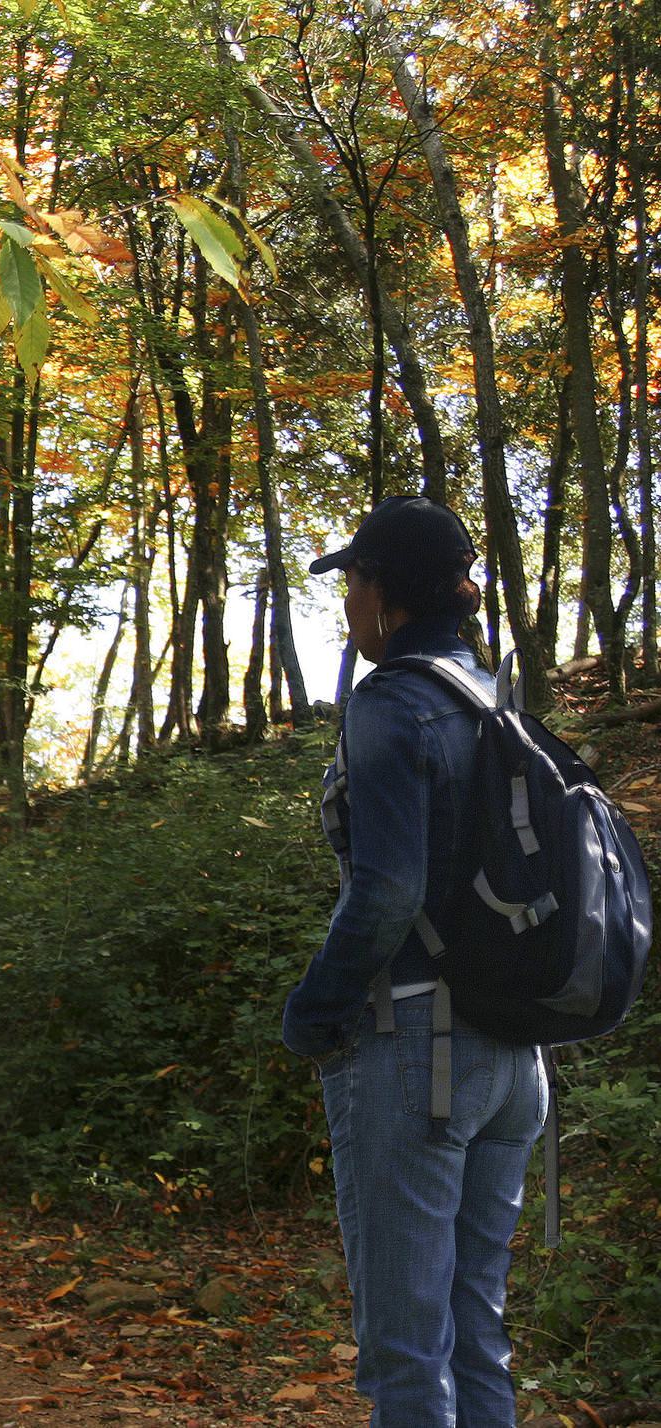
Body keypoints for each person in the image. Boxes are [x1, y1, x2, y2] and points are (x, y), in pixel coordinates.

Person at [282, 496, 550, 1428]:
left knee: (404, 1352)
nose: (346, 600)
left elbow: (387, 892)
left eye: (353, 580)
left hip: (417, 1051)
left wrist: (312, 1011)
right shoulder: (491, 697)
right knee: (475, 1332)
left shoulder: (391, 703)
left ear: (385, 593)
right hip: (514, 1059)